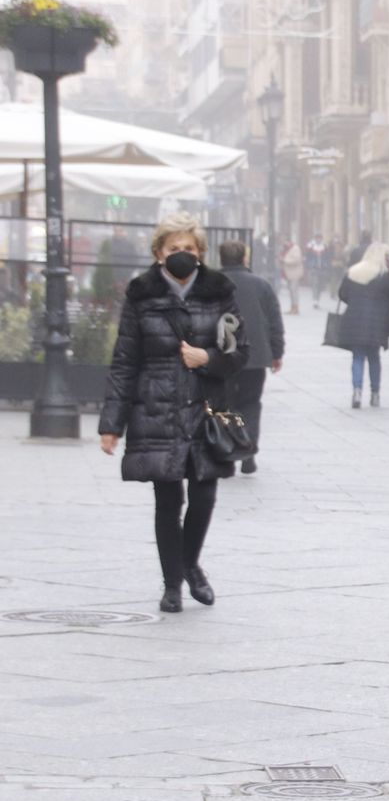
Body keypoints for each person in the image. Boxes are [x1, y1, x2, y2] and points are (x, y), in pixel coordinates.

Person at [99, 212, 250, 615]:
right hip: (156, 407)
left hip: (205, 407)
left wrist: (209, 358)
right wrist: (111, 424)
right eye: (173, 249)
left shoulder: (220, 291)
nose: (181, 255)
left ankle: (190, 564)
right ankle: (172, 586)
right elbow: (125, 361)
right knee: (168, 499)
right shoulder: (141, 294)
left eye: (188, 248)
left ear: (200, 253)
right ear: (158, 253)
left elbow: (240, 353)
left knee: (204, 494)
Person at [218, 240, 283, 474]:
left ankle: (227, 451)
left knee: (225, 404)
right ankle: (248, 451)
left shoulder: (210, 285)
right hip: (255, 356)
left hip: (222, 356)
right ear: (245, 258)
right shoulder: (262, 285)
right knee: (251, 404)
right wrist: (277, 353)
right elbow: (275, 322)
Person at [339, 239, 389, 409]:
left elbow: (343, 294)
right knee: (374, 358)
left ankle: (357, 391)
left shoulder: (353, 272)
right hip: (376, 323)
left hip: (355, 320)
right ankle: (375, 394)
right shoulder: (385, 276)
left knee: (357, 357)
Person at [280, 240, 305, 316]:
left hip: (295, 273)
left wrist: (284, 260)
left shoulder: (295, 248)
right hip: (288, 273)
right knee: (291, 291)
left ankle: (296, 308)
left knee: (294, 291)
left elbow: (296, 260)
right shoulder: (286, 249)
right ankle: (292, 307)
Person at [306, 233, 327, 310]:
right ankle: (315, 300)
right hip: (314, 268)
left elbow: (327, 257)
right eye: (317, 237)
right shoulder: (311, 246)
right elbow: (307, 257)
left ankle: (318, 299)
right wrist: (309, 266)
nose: (318, 239)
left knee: (320, 285)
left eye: (320, 237)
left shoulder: (325, 246)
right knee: (315, 284)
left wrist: (326, 265)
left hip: (322, 268)